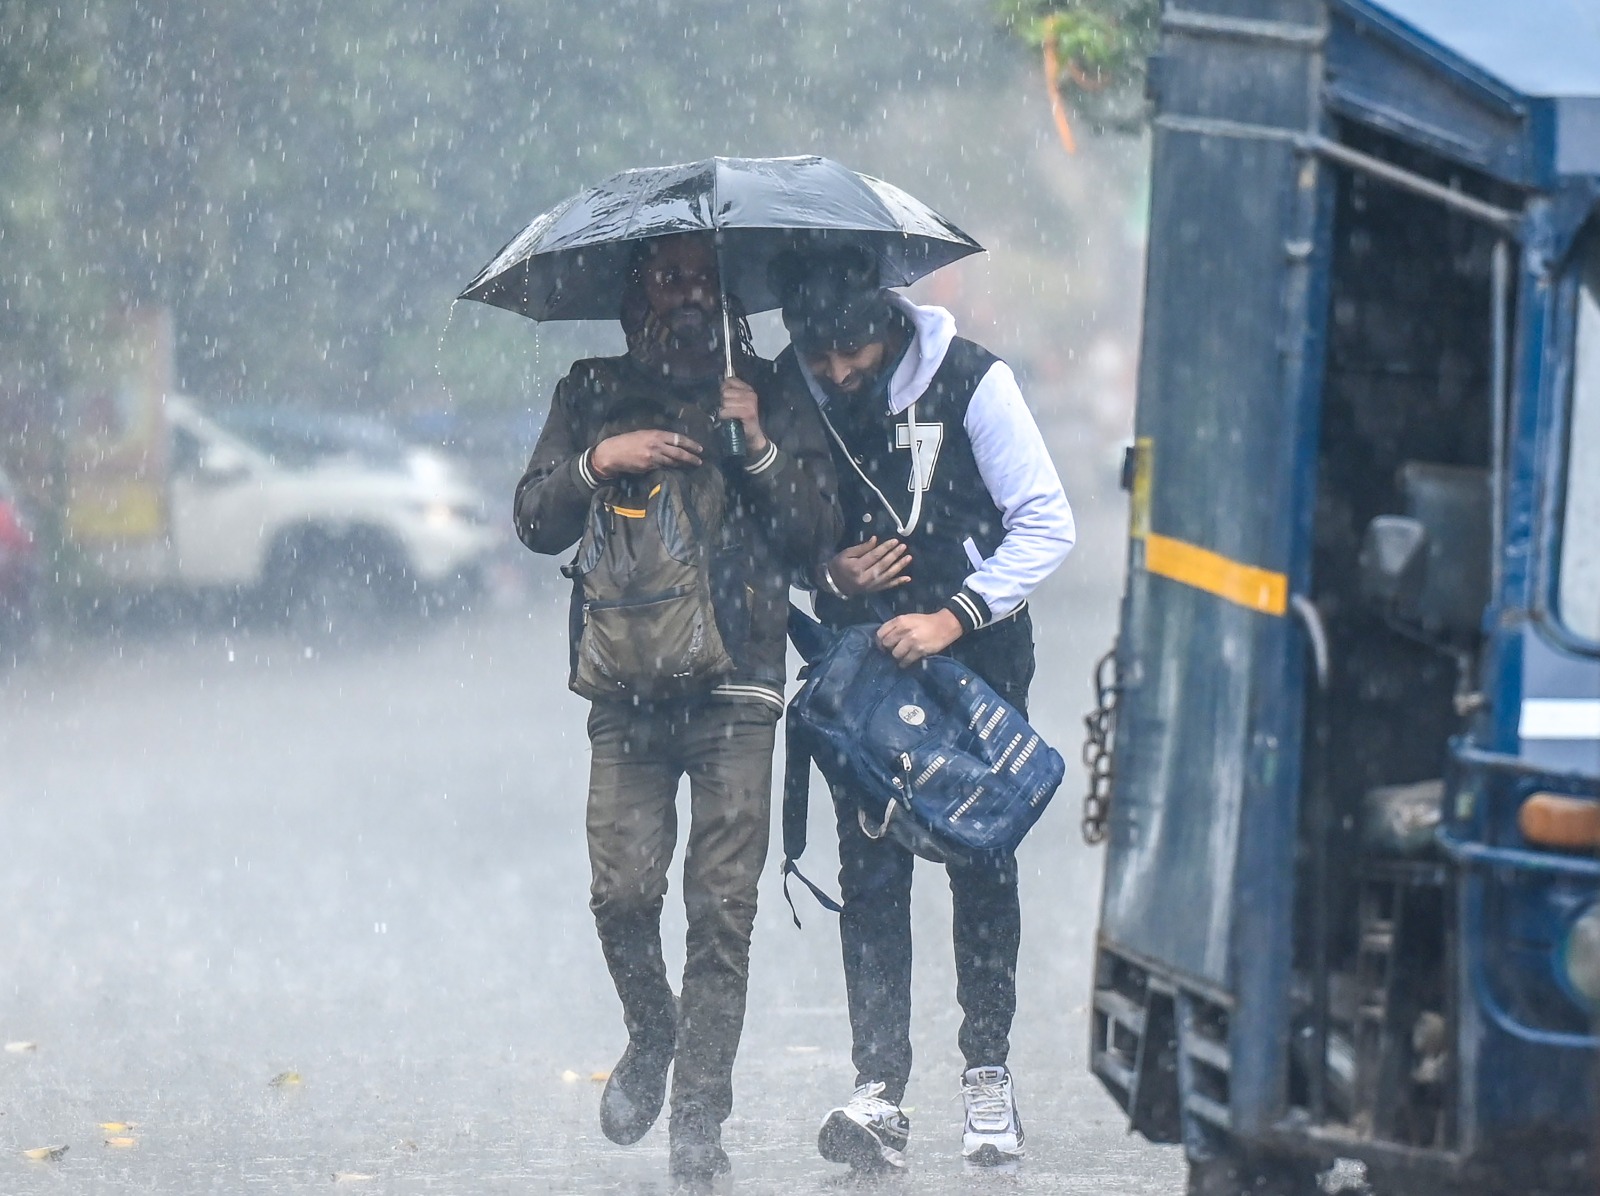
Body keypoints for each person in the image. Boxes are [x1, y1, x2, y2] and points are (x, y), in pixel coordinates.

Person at [513, 233, 840, 1187]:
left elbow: (818, 534)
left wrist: (760, 441)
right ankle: (652, 1034)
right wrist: (597, 461)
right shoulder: (588, 391)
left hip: (739, 683)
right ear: (636, 295)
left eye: (704, 279)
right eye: (670, 278)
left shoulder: (768, 388)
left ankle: (699, 1119)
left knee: (723, 916)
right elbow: (533, 520)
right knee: (620, 894)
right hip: (624, 684)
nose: (689, 296)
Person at [772, 247, 1076, 1171]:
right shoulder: (789, 394)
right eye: (817, 355)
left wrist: (952, 615)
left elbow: (1047, 521)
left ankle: (988, 1075)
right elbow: (763, 531)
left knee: (981, 861)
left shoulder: (974, 381)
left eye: (850, 350)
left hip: (974, 663)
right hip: (855, 673)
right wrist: (826, 572)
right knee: (869, 872)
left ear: (888, 317)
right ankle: (878, 1091)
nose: (837, 372)